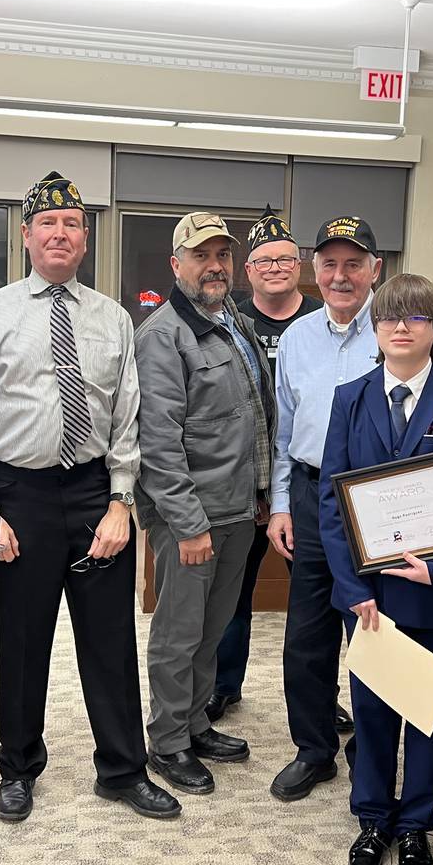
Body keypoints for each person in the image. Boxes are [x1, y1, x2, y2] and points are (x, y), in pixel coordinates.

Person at [0, 171, 178, 823]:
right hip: (17, 493)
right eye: (47, 224)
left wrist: (120, 502)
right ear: (26, 236)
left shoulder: (113, 317)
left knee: (110, 640)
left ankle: (123, 770)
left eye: (72, 224)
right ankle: (17, 767)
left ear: (84, 238)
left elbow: (126, 417)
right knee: (20, 645)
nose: (60, 233)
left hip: (92, 491)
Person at [319, 274, 433, 865]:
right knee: (370, 709)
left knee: (426, 710)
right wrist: (352, 587)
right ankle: (372, 818)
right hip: (369, 593)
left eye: (416, 318)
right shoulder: (351, 397)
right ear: (375, 328)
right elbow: (331, 500)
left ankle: (417, 821)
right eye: (391, 317)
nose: (402, 326)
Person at [135, 212, 273, 796]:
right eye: (200, 256)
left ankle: (194, 722)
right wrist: (188, 525)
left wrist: (263, 495)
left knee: (212, 628)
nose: (214, 266)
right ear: (176, 265)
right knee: (178, 632)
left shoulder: (233, 321)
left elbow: (256, 417)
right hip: (192, 518)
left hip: (238, 511)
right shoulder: (163, 336)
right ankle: (167, 741)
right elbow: (158, 443)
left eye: (222, 255)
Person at [268, 216, 384, 802]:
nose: (341, 276)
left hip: (373, 499)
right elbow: (284, 430)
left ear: (374, 271)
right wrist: (281, 504)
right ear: (315, 273)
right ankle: (314, 750)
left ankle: (370, 753)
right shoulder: (296, 339)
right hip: (313, 498)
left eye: (353, 264)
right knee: (306, 637)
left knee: (369, 629)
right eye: (330, 265)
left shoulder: (394, 331)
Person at [206, 207, 322, 723]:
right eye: (261, 260)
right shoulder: (228, 319)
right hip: (242, 480)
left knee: (321, 600)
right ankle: (223, 686)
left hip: (305, 479)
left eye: (283, 258)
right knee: (231, 591)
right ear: (247, 271)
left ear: (299, 265)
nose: (274, 267)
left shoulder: (323, 319)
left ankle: (324, 695)